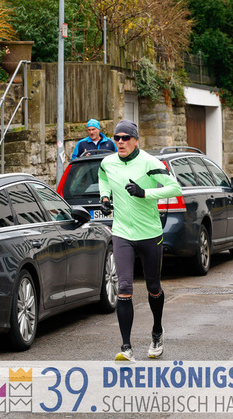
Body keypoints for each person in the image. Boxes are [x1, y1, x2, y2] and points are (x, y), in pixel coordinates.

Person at [97, 119, 182, 361]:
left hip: (149, 234)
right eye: (117, 138)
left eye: (125, 138)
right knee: (124, 288)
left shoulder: (150, 163)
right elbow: (102, 177)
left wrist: (145, 193)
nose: (120, 142)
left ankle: (157, 332)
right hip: (122, 232)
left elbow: (175, 188)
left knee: (153, 287)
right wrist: (105, 197)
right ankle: (126, 347)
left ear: (135, 141)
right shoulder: (108, 162)